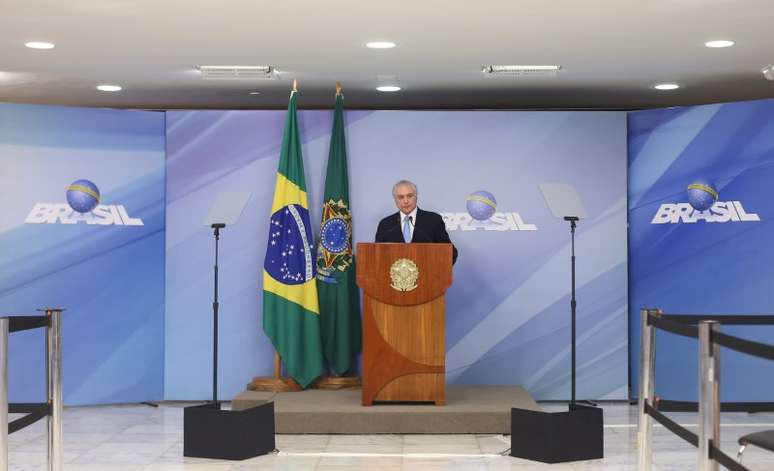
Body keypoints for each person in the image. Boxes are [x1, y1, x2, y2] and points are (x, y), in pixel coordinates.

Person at [375, 180, 458, 264]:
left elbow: (451, 253)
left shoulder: (433, 220)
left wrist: (438, 271)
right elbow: (377, 256)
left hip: (428, 275)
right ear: (395, 199)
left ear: (416, 196)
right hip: (395, 276)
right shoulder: (385, 224)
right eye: (401, 197)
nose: (406, 201)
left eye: (409, 196)